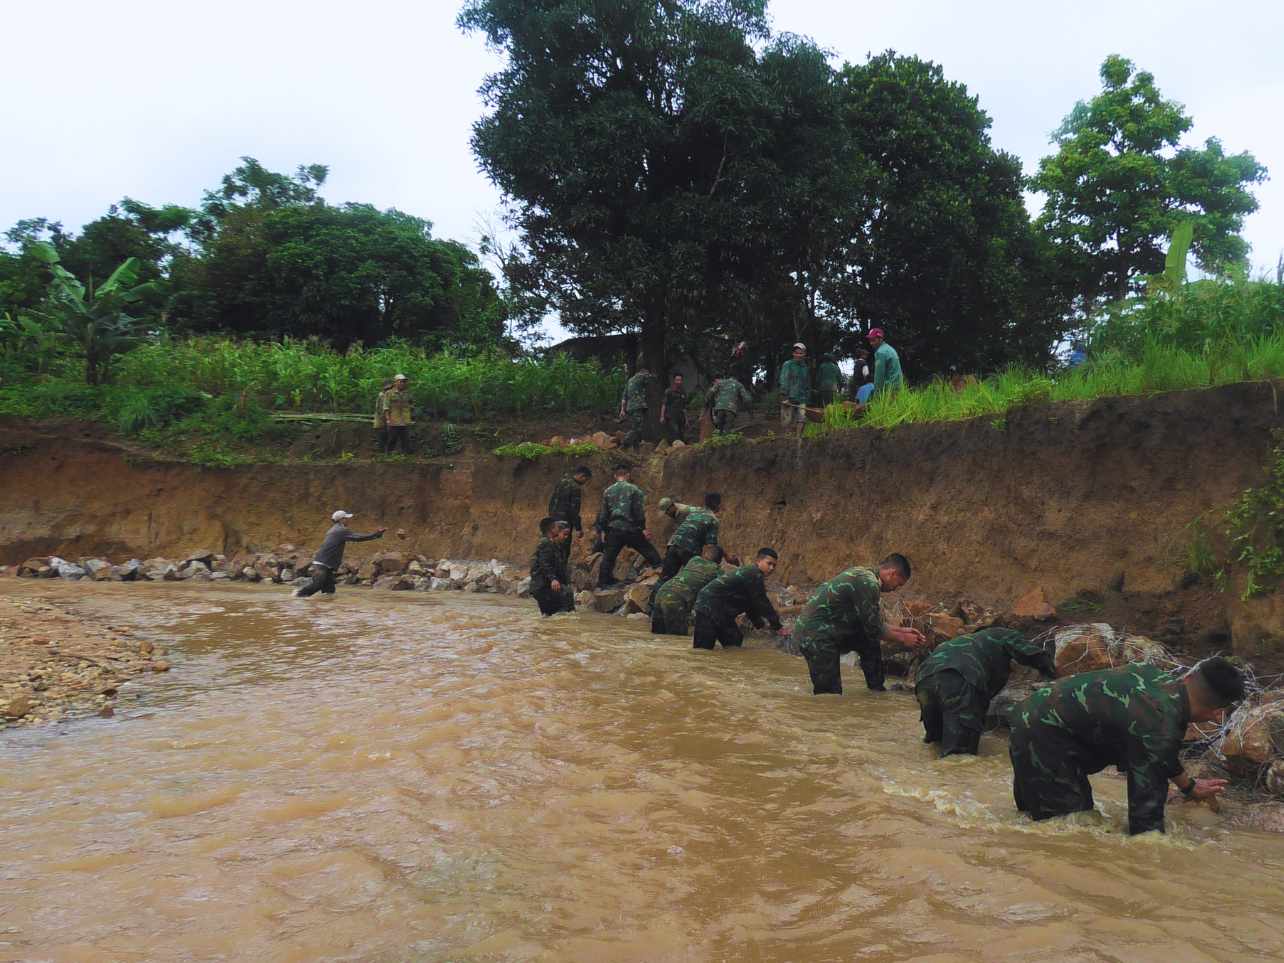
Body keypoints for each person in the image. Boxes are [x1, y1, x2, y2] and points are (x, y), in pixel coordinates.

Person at [1009, 657, 1243, 835]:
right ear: (1217, 713)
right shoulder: (1160, 724)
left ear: (1189, 678)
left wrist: (1188, 786)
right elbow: (1145, 818)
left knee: (1033, 818)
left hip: (1032, 715)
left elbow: (1160, 755)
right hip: (1044, 736)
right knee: (1071, 829)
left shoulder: (1158, 680)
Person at [794, 554, 926, 694]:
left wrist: (903, 631)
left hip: (829, 630)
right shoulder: (867, 582)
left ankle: (877, 690)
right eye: (898, 584)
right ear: (892, 573)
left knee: (868, 641)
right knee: (830, 695)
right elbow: (873, 628)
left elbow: (874, 623)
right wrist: (903, 639)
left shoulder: (866, 576)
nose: (895, 589)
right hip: (815, 636)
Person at [915, 628, 1056, 757]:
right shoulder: (1003, 633)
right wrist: (1052, 671)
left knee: (936, 741)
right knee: (958, 756)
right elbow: (1029, 652)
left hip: (924, 678)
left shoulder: (968, 640)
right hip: (959, 676)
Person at [692, 548, 787, 650]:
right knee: (703, 649)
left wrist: (759, 624)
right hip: (708, 606)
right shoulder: (754, 573)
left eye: (774, 566)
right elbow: (762, 602)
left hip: (722, 611)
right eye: (769, 564)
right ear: (759, 561)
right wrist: (778, 627)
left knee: (734, 640)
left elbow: (750, 603)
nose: (772, 568)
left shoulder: (753, 575)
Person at [594, 464, 663, 587]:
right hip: (631, 528)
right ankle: (661, 571)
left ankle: (603, 583)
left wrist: (603, 530)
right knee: (647, 549)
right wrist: (643, 528)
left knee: (609, 557)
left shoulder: (608, 491)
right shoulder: (635, 490)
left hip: (614, 529)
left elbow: (604, 514)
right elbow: (639, 512)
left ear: (615, 476)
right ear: (627, 475)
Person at [293, 510, 385, 597]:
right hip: (322, 564)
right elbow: (358, 537)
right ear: (341, 520)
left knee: (329, 592)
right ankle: (296, 596)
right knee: (317, 585)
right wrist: (375, 534)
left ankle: (324, 607)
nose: (348, 520)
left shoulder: (334, 529)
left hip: (325, 565)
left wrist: (375, 535)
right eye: (346, 518)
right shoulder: (341, 530)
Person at [652, 492, 721, 600]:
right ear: (718, 505)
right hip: (689, 549)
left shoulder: (694, 512)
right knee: (693, 577)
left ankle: (651, 606)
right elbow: (711, 546)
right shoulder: (713, 520)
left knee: (664, 578)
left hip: (673, 544)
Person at [651, 544, 725, 636]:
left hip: (661, 592)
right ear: (719, 560)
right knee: (676, 639)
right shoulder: (716, 569)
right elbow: (724, 588)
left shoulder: (694, 560)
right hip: (676, 599)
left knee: (657, 637)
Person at [548, 465, 592, 569]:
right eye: (586, 479)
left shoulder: (561, 482)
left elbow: (552, 501)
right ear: (582, 476)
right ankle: (559, 577)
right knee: (563, 551)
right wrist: (578, 528)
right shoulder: (575, 488)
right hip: (564, 524)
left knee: (552, 547)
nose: (585, 482)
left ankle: (548, 574)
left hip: (553, 521)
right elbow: (573, 511)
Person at [530, 517, 575, 615]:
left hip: (545, 586)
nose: (557, 528)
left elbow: (558, 567)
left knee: (551, 615)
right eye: (556, 527)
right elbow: (544, 563)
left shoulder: (555, 545)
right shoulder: (546, 543)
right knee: (565, 600)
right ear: (551, 529)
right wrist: (553, 579)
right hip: (542, 586)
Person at [619, 367, 656, 450]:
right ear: (643, 372)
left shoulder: (629, 381)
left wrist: (622, 410)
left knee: (636, 427)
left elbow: (624, 397)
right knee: (637, 429)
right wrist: (654, 376)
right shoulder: (642, 375)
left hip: (630, 408)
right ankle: (624, 445)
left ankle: (636, 451)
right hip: (637, 406)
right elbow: (650, 377)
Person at [376, 374, 413, 454]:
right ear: (396, 382)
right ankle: (388, 453)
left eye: (404, 382)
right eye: (401, 381)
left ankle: (405, 454)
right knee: (392, 438)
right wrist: (388, 419)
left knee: (405, 438)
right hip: (394, 420)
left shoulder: (407, 393)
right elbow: (386, 407)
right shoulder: (389, 393)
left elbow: (410, 405)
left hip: (405, 420)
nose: (403, 383)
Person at [778, 343, 810, 431]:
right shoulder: (788, 364)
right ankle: (787, 441)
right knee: (787, 422)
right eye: (796, 353)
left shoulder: (805, 368)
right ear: (793, 353)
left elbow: (807, 384)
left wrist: (807, 398)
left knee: (801, 420)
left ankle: (798, 440)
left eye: (801, 353)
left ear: (804, 354)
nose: (798, 355)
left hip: (801, 399)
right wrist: (784, 397)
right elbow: (783, 380)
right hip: (789, 398)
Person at [867, 329, 903, 397]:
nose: (871, 343)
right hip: (898, 387)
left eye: (873, 340)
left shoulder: (880, 352)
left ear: (880, 339)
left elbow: (879, 377)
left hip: (889, 391)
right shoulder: (890, 349)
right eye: (870, 340)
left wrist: (877, 396)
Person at [660, 374, 689, 444]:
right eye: (677, 380)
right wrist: (662, 416)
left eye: (680, 380)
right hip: (671, 415)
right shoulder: (669, 391)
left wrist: (687, 420)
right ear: (674, 381)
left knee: (682, 434)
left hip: (681, 416)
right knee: (675, 432)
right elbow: (664, 404)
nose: (679, 382)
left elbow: (684, 407)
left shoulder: (683, 392)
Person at [372, 379, 393, 450]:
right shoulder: (382, 396)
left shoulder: (387, 396)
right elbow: (381, 410)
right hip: (381, 421)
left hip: (384, 420)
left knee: (386, 436)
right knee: (382, 437)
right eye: (387, 388)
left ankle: (384, 452)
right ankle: (382, 452)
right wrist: (387, 419)